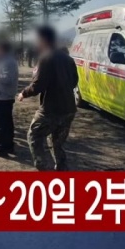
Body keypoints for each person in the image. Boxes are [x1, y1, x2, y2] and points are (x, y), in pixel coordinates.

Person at [18, 26, 79, 171]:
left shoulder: (46, 58)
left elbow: (38, 85)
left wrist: (23, 93)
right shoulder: (68, 59)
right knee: (57, 142)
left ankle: (44, 169)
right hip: (69, 108)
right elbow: (74, 81)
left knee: (34, 136)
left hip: (51, 109)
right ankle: (62, 169)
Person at [0, 41, 18, 157]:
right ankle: (9, 145)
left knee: (3, 124)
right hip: (1, 95)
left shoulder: (8, 62)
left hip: (4, 96)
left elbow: (7, 79)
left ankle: (1, 148)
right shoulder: (3, 60)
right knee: (7, 123)